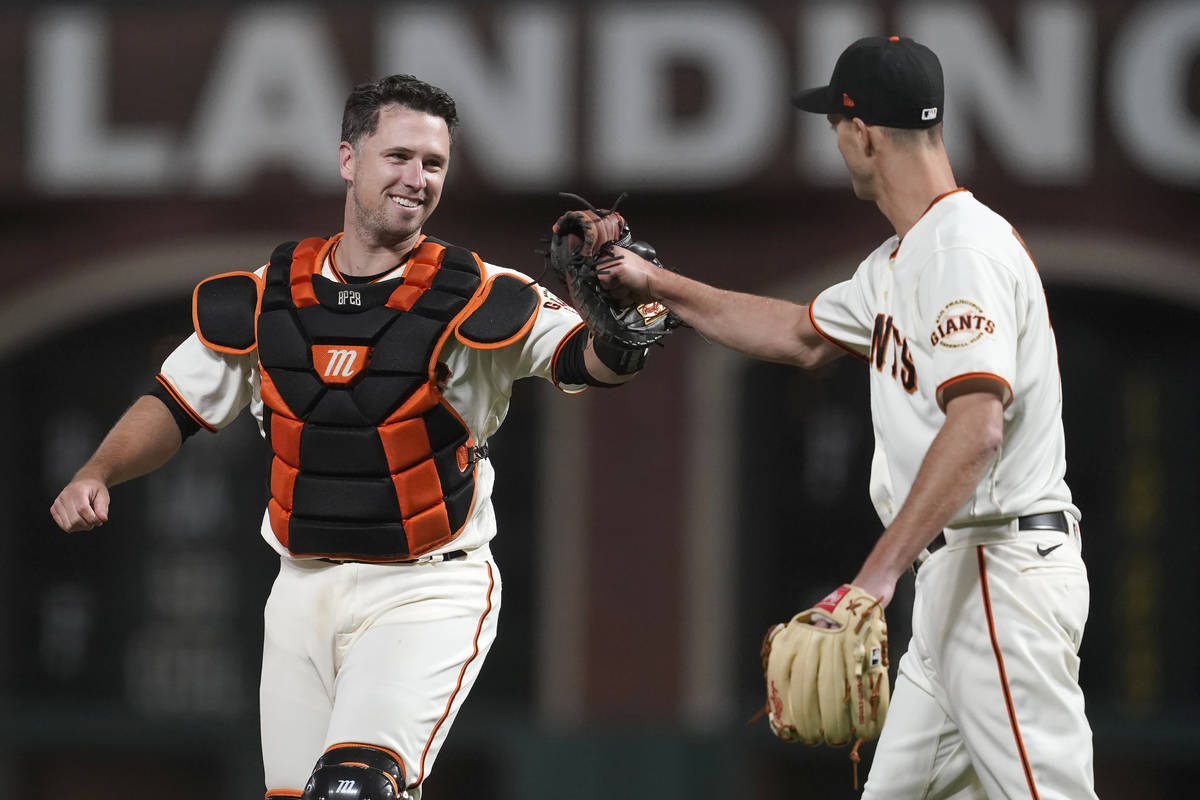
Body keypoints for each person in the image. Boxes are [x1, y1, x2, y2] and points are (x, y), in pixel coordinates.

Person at [50, 74, 654, 800]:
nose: (417, 178)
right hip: (300, 588)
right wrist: (97, 471)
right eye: (398, 156)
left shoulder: (480, 293)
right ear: (348, 159)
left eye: (434, 164)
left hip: (427, 588)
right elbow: (176, 402)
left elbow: (586, 360)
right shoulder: (274, 291)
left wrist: (625, 332)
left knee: (353, 788)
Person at [600, 35, 1097, 800]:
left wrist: (874, 578)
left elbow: (978, 425)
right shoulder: (904, 259)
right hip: (957, 578)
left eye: (835, 125)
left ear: (861, 131)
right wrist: (652, 281)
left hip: (1001, 572)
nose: (836, 142)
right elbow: (797, 334)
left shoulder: (959, 250)